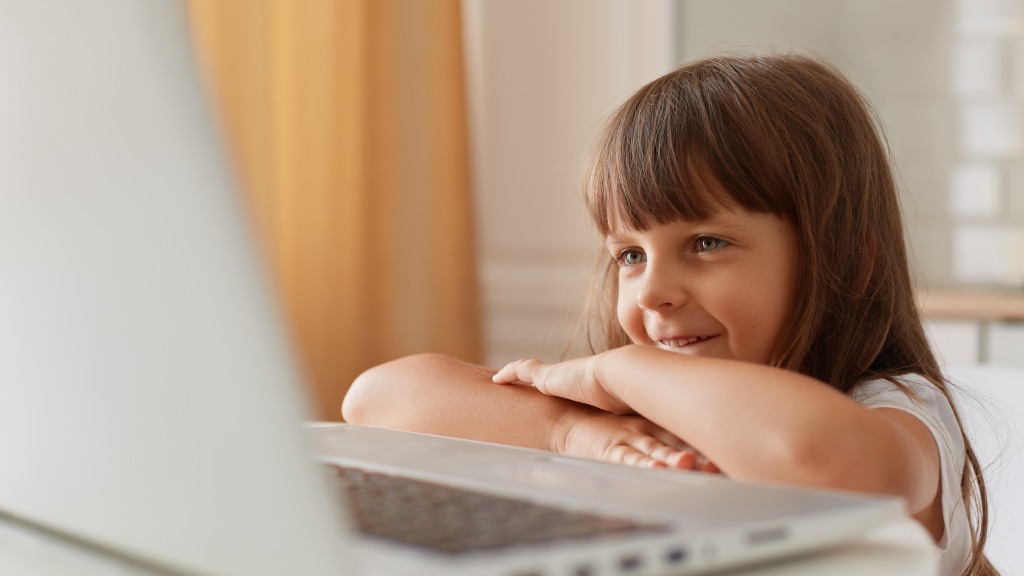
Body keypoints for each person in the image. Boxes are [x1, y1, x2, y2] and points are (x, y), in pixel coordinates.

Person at [342, 53, 996, 576]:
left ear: (849, 262)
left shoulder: (897, 413)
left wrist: (623, 372)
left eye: (706, 243)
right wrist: (573, 432)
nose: (652, 291)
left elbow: (823, 462)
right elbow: (378, 397)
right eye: (628, 254)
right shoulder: (635, 420)